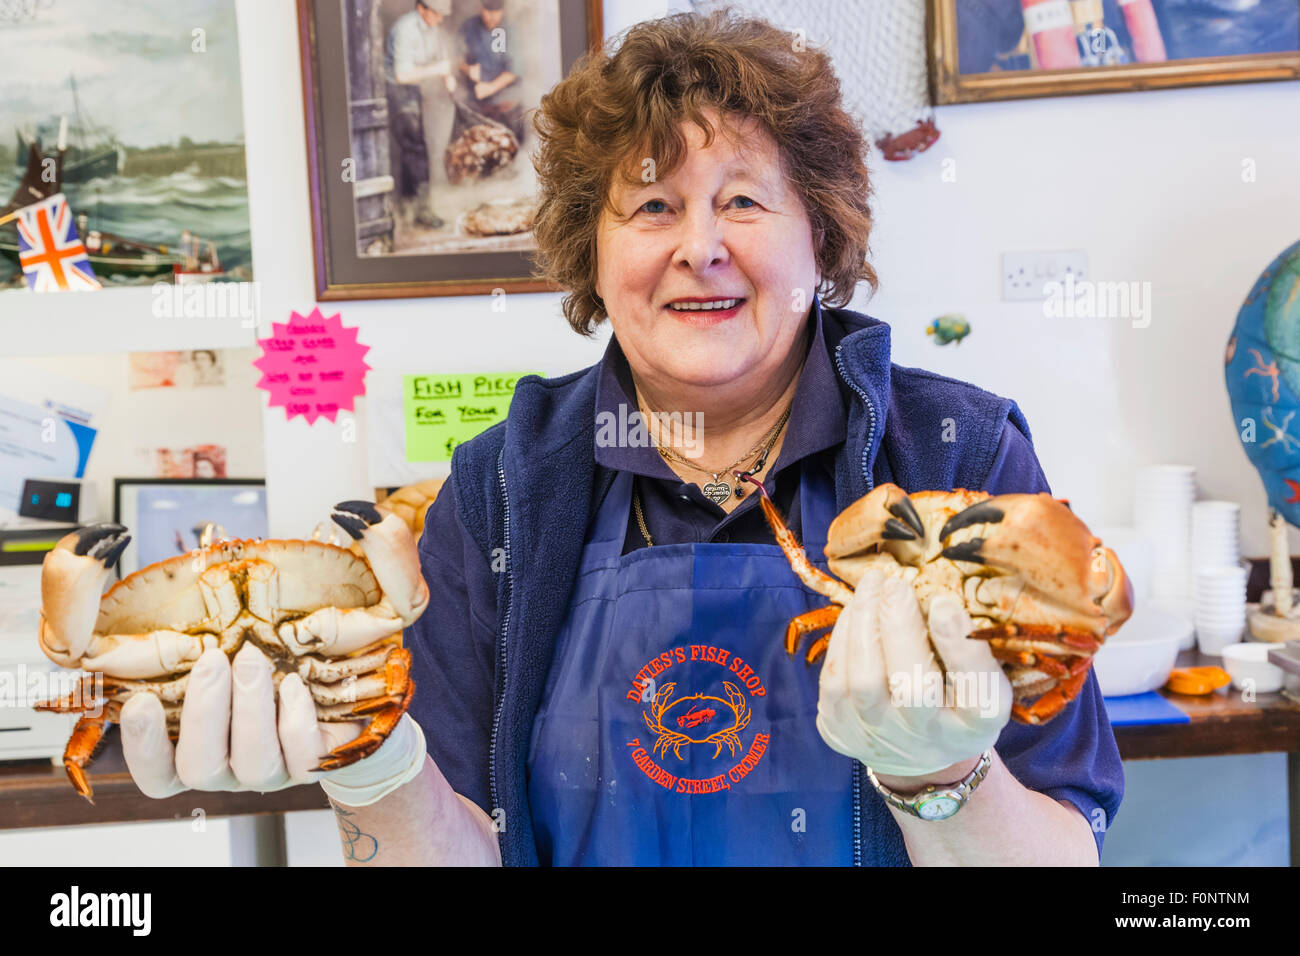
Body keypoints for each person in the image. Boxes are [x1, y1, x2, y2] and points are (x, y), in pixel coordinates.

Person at [113, 10, 1121, 867]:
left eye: (741, 199)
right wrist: (374, 771)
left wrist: (943, 772)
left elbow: (1063, 846)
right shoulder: (502, 485)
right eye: (650, 204)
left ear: (821, 235)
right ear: (589, 257)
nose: (700, 245)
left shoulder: (958, 457)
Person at [384, 0, 457, 229]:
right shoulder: (406, 29)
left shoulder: (432, 26)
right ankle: (423, 211)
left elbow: (440, 59)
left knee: (411, 150)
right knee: (416, 149)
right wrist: (438, 70)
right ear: (421, 9)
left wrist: (448, 78)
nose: (440, 19)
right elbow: (402, 75)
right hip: (398, 93)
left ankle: (407, 206)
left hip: (414, 91)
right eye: (437, 14)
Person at [457, 0, 525, 143]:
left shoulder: (510, 31)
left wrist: (489, 88)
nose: (491, 17)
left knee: (508, 147)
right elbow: (456, 58)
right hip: (476, 105)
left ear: (502, 10)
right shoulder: (468, 27)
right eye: (487, 11)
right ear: (481, 7)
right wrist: (467, 69)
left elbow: (514, 71)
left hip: (506, 104)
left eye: (495, 12)